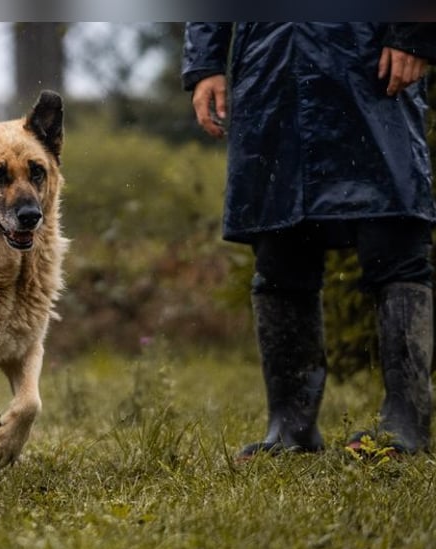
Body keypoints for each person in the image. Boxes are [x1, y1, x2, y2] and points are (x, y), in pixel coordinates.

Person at [181, 23, 436, 459]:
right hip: (270, 62)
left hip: (367, 58)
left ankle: (406, 421)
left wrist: (413, 34)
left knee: (394, 238)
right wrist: (205, 62)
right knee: (280, 246)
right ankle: (290, 427)